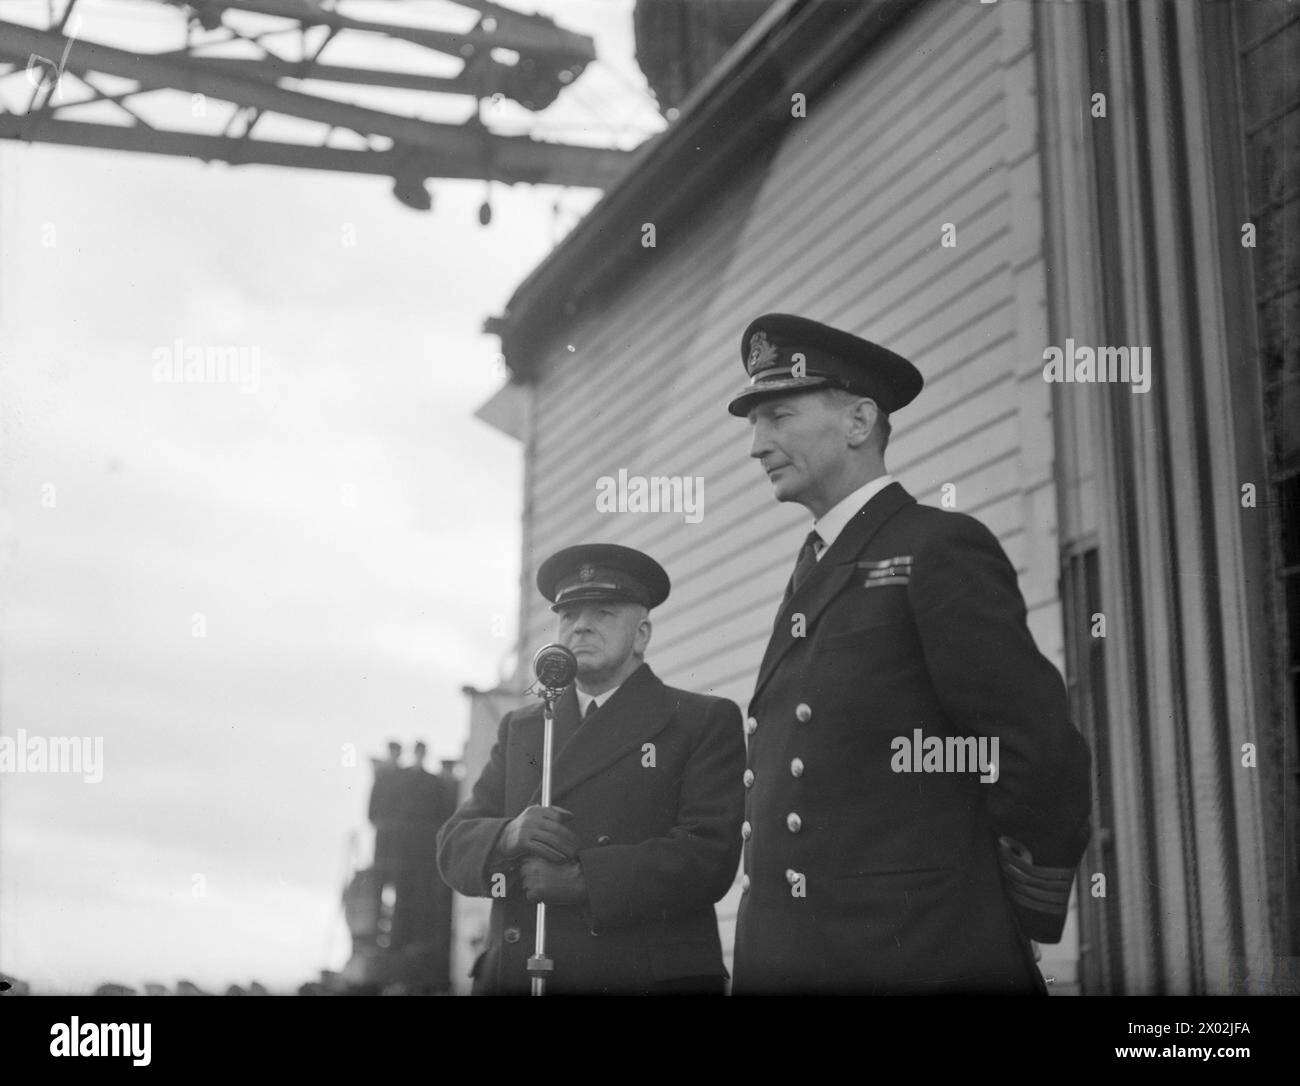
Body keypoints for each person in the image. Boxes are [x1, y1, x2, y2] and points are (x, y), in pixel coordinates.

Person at [726, 313, 1092, 994]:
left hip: (911, 954)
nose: (757, 445)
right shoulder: (816, 563)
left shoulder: (936, 547)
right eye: (754, 423)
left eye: (778, 415)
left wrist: (987, 915)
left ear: (859, 421)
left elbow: (1035, 751)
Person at [437, 544, 746, 994]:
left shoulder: (699, 720)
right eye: (568, 615)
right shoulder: (523, 727)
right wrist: (507, 835)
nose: (580, 625)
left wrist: (585, 880)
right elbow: (452, 846)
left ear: (641, 634)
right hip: (522, 976)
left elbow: (709, 856)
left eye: (602, 613)